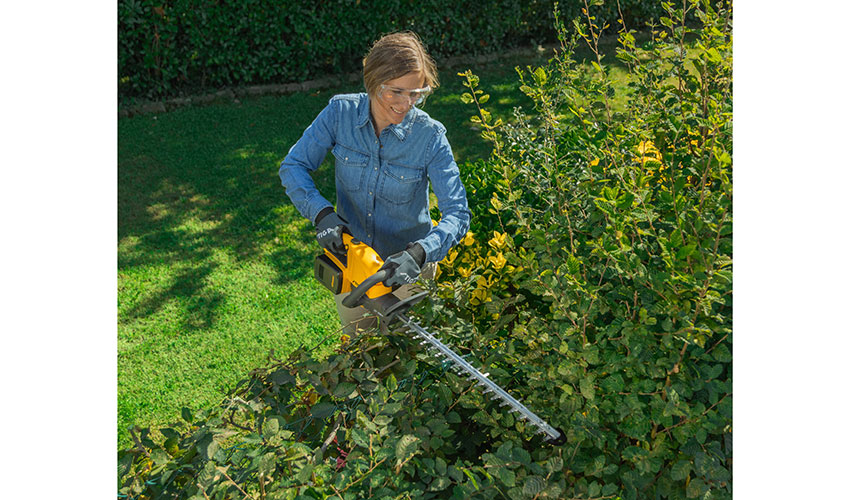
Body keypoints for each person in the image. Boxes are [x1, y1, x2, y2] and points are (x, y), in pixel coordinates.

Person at [279, 31, 470, 334]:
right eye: (396, 92)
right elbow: (293, 166)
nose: (406, 103)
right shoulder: (340, 114)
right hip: (354, 267)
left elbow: (458, 214)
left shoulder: (430, 137)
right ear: (372, 82)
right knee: (357, 359)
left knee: (409, 367)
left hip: (407, 273)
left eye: (416, 93)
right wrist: (321, 214)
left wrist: (420, 252)